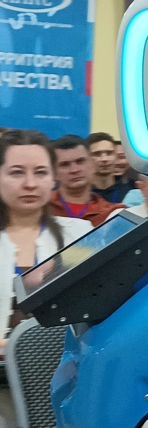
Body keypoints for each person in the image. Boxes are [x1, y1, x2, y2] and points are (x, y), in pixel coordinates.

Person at [0, 130, 91, 343]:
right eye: (17, 173)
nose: (30, 184)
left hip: (63, 358)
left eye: (40, 172)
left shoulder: (79, 234)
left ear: (53, 179)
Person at [49, 135, 124, 226]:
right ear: (54, 172)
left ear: (92, 164)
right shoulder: (42, 208)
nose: (74, 170)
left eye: (80, 161)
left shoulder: (112, 214)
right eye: (64, 164)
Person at [87, 132, 134, 204]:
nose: (104, 159)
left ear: (115, 156)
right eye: (97, 154)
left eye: (109, 153)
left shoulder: (130, 192)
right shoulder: (80, 193)